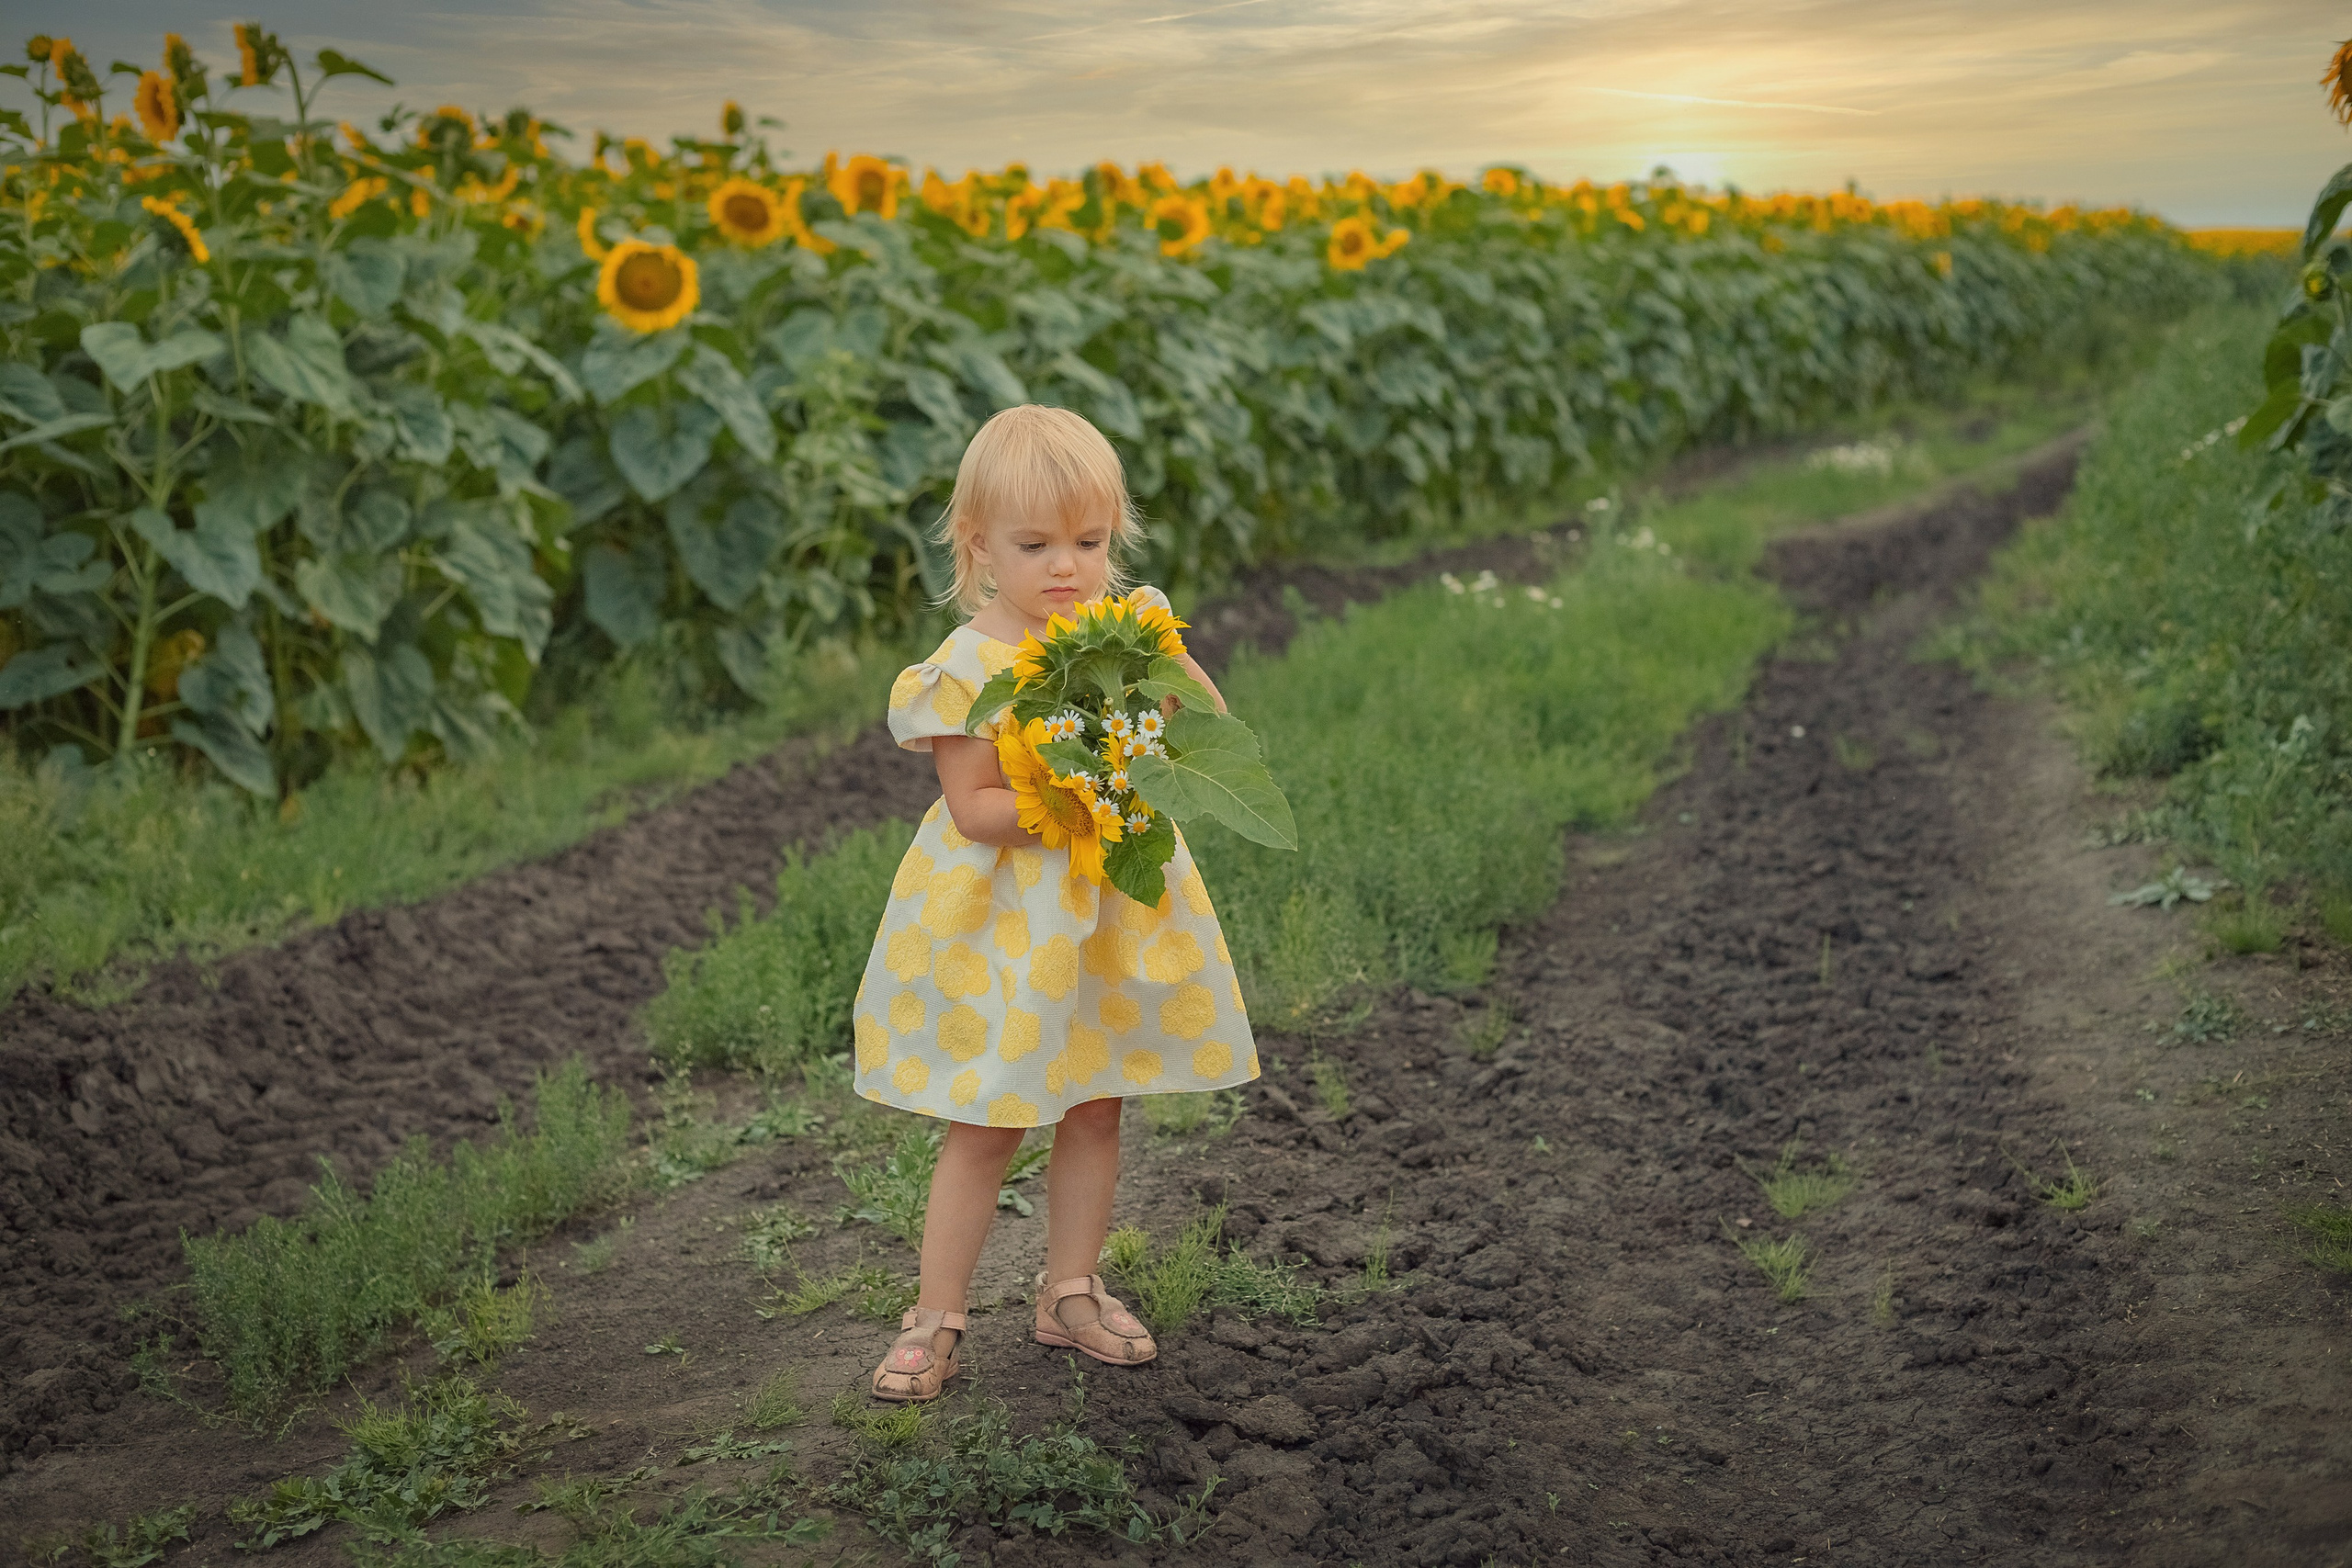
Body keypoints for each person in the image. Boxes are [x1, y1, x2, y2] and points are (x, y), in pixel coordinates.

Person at [854, 404, 1261, 1402]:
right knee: (990, 1117)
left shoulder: (1111, 635)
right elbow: (975, 807)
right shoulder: (970, 668)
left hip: (1105, 913)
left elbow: (1203, 718)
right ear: (979, 545)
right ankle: (935, 1313)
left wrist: (1152, 659)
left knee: (1094, 1103)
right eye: (1036, 546)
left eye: (1088, 542)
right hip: (1007, 923)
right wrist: (1080, 795)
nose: (1066, 568)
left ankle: (1069, 1290)